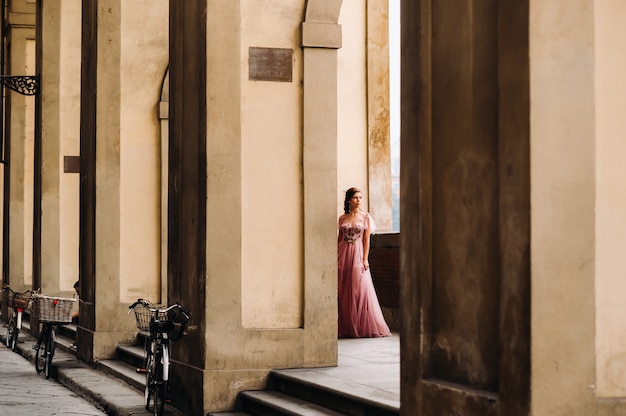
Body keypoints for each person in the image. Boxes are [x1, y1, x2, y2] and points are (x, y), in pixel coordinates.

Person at [337, 187, 391, 338]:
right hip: (342, 254)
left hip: (357, 254)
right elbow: (340, 239)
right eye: (355, 197)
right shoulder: (342, 218)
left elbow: (366, 240)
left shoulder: (366, 217)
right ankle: (345, 325)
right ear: (349, 200)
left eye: (360, 197)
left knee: (358, 288)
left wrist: (365, 259)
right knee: (343, 288)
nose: (359, 200)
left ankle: (360, 325)